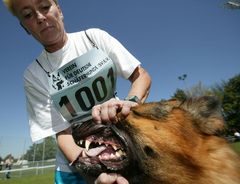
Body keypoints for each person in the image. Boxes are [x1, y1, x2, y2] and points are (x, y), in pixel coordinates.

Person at [3, 0, 151, 183]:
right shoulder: (34, 75)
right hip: (73, 169)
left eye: (44, 7)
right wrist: (88, 164)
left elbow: (140, 76)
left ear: (59, 9)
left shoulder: (93, 38)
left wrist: (132, 101)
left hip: (121, 153)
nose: (40, 17)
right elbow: (61, 132)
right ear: (25, 27)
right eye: (27, 15)